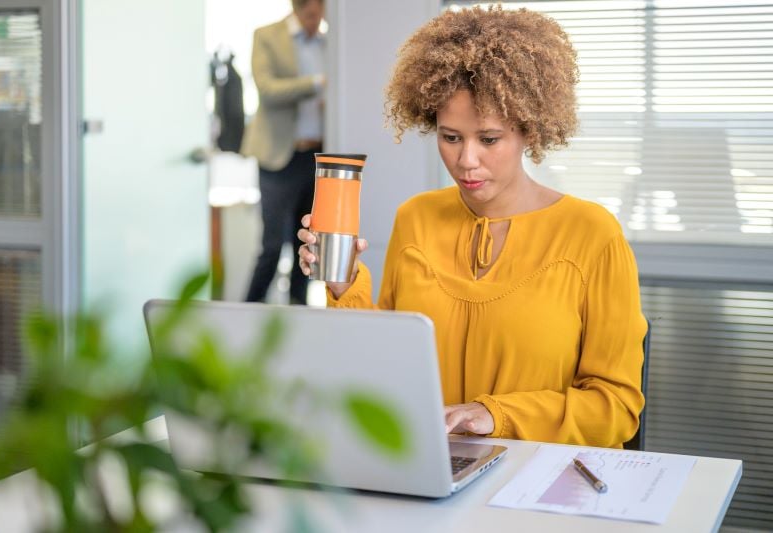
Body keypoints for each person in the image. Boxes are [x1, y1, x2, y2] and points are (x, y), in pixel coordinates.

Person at [297, 6, 647, 448]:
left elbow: (615, 407)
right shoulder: (417, 218)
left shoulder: (592, 234)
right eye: (450, 137)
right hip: (430, 468)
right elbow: (383, 367)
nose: (466, 161)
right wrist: (344, 284)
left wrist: (494, 414)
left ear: (530, 130)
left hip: (539, 482)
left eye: (489, 138)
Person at [241, 0, 325, 305]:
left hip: (315, 158)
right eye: (313, 13)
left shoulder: (328, 44)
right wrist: (317, 83)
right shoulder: (267, 36)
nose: (318, 19)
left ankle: (298, 314)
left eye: (322, 12)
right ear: (299, 8)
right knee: (273, 246)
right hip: (279, 158)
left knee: (306, 244)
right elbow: (268, 89)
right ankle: (248, 312)